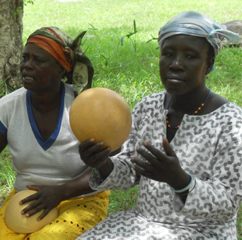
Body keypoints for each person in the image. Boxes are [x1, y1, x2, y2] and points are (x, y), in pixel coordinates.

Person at [77, 11, 242, 239]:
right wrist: (102, 163)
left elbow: (228, 203)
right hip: (143, 225)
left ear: (209, 64)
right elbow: (130, 171)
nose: (175, 64)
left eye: (190, 56)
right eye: (168, 54)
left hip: (202, 232)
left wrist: (180, 180)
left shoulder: (231, 122)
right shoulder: (148, 107)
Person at [0, 26, 110, 240]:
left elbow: (112, 166)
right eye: (25, 58)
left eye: (39, 61)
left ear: (62, 69)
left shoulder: (84, 107)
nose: (27, 66)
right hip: (28, 201)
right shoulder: (9, 107)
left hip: (80, 199)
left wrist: (62, 191)